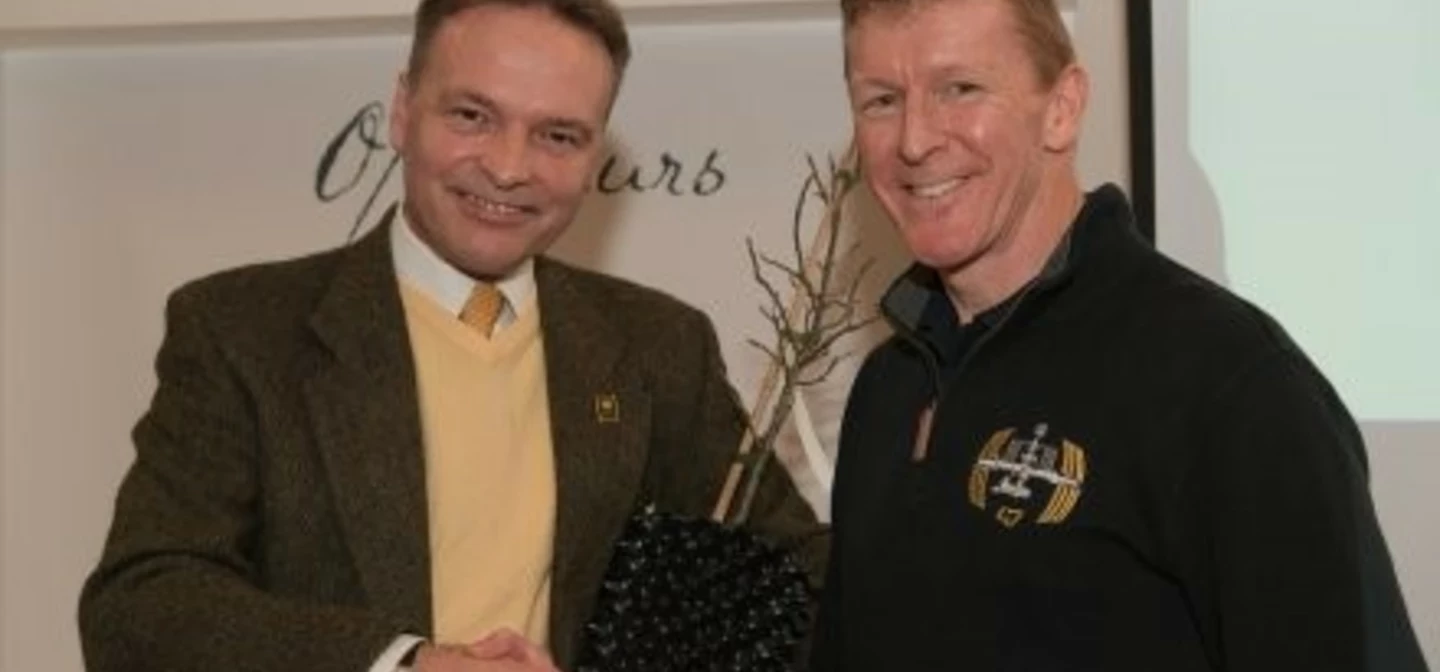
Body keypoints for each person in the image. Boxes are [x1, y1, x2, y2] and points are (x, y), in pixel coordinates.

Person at [77, 0, 825, 670]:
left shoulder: (660, 347)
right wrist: (404, 664)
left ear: (595, 156)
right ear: (403, 109)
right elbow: (141, 605)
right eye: (472, 115)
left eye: (557, 135)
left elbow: (801, 581)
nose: (507, 167)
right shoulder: (242, 329)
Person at [811, 0, 1429, 670]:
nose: (914, 139)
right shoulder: (887, 391)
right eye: (881, 100)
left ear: (1063, 108)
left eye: (960, 88)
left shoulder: (1228, 382)